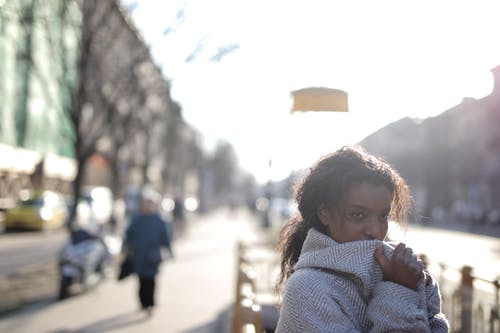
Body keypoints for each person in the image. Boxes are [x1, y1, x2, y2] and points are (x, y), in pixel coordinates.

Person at [275, 146, 449, 332]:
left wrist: (417, 283)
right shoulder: (307, 287)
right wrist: (400, 290)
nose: (375, 230)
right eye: (357, 215)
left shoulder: (395, 268)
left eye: (383, 216)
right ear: (325, 213)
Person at [125, 192, 173, 316]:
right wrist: (127, 250)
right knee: (141, 281)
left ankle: (150, 304)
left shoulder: (159, 221)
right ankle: (143, 303)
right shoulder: (137, 220)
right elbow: (128, 236)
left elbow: (165, 238)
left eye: (151, 204)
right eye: (146, 204)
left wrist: (169, 251)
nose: (148, 207)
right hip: (139, 255)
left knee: (151, 281)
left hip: (153, 256)